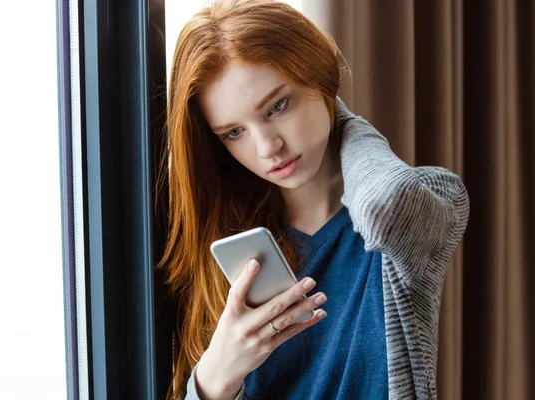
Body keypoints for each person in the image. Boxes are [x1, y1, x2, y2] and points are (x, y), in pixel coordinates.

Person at [158, 0, 470, 399]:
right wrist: (216, 376)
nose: (268, 147)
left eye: (277, 106)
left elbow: (385, 205)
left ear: (321, 78)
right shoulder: (220, 242)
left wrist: (344, 120)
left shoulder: (424, 202)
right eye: (233, 132)